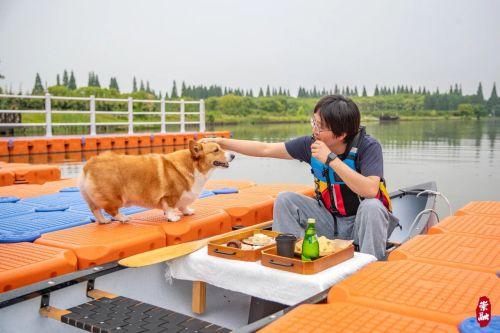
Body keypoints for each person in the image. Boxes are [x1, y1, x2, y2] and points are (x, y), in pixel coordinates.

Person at [200, 95, 399, 260]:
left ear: (341, 134)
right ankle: (291, 259)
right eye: (314, 122)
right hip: (329, 221)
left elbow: (371, 190)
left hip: (362, 225)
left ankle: (370, 267)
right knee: (285, 199)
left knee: (371, 206)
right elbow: (265, 149)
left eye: (320, 126)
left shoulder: (368, 146)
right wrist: (221, 142)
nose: (314, 130)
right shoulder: (310, 145)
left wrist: (331, 160)